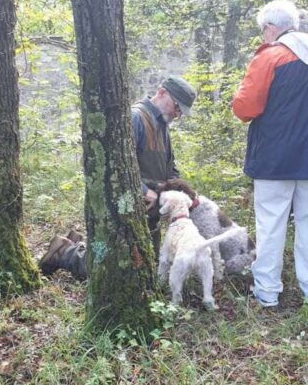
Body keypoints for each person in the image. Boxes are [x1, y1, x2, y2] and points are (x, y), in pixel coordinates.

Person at [232, 0, 308, 307]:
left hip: (275, 157)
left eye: (263, 29)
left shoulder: (269, 57)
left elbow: (245, 108)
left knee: (271, 224)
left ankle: (267, 293)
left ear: (272, 28)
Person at [39, 77, 198, 279]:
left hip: (149, 212)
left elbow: (169, 167)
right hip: (128, 205)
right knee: (115, 268)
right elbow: (114, 163)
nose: (178, 114)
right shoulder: (136, 118)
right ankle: (65, 251)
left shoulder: (162, 125)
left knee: (146, 265)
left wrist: (182, 192)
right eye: (177, 106)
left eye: (181, 111)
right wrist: (142, 190)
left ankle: (75, 245)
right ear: (161, 92)